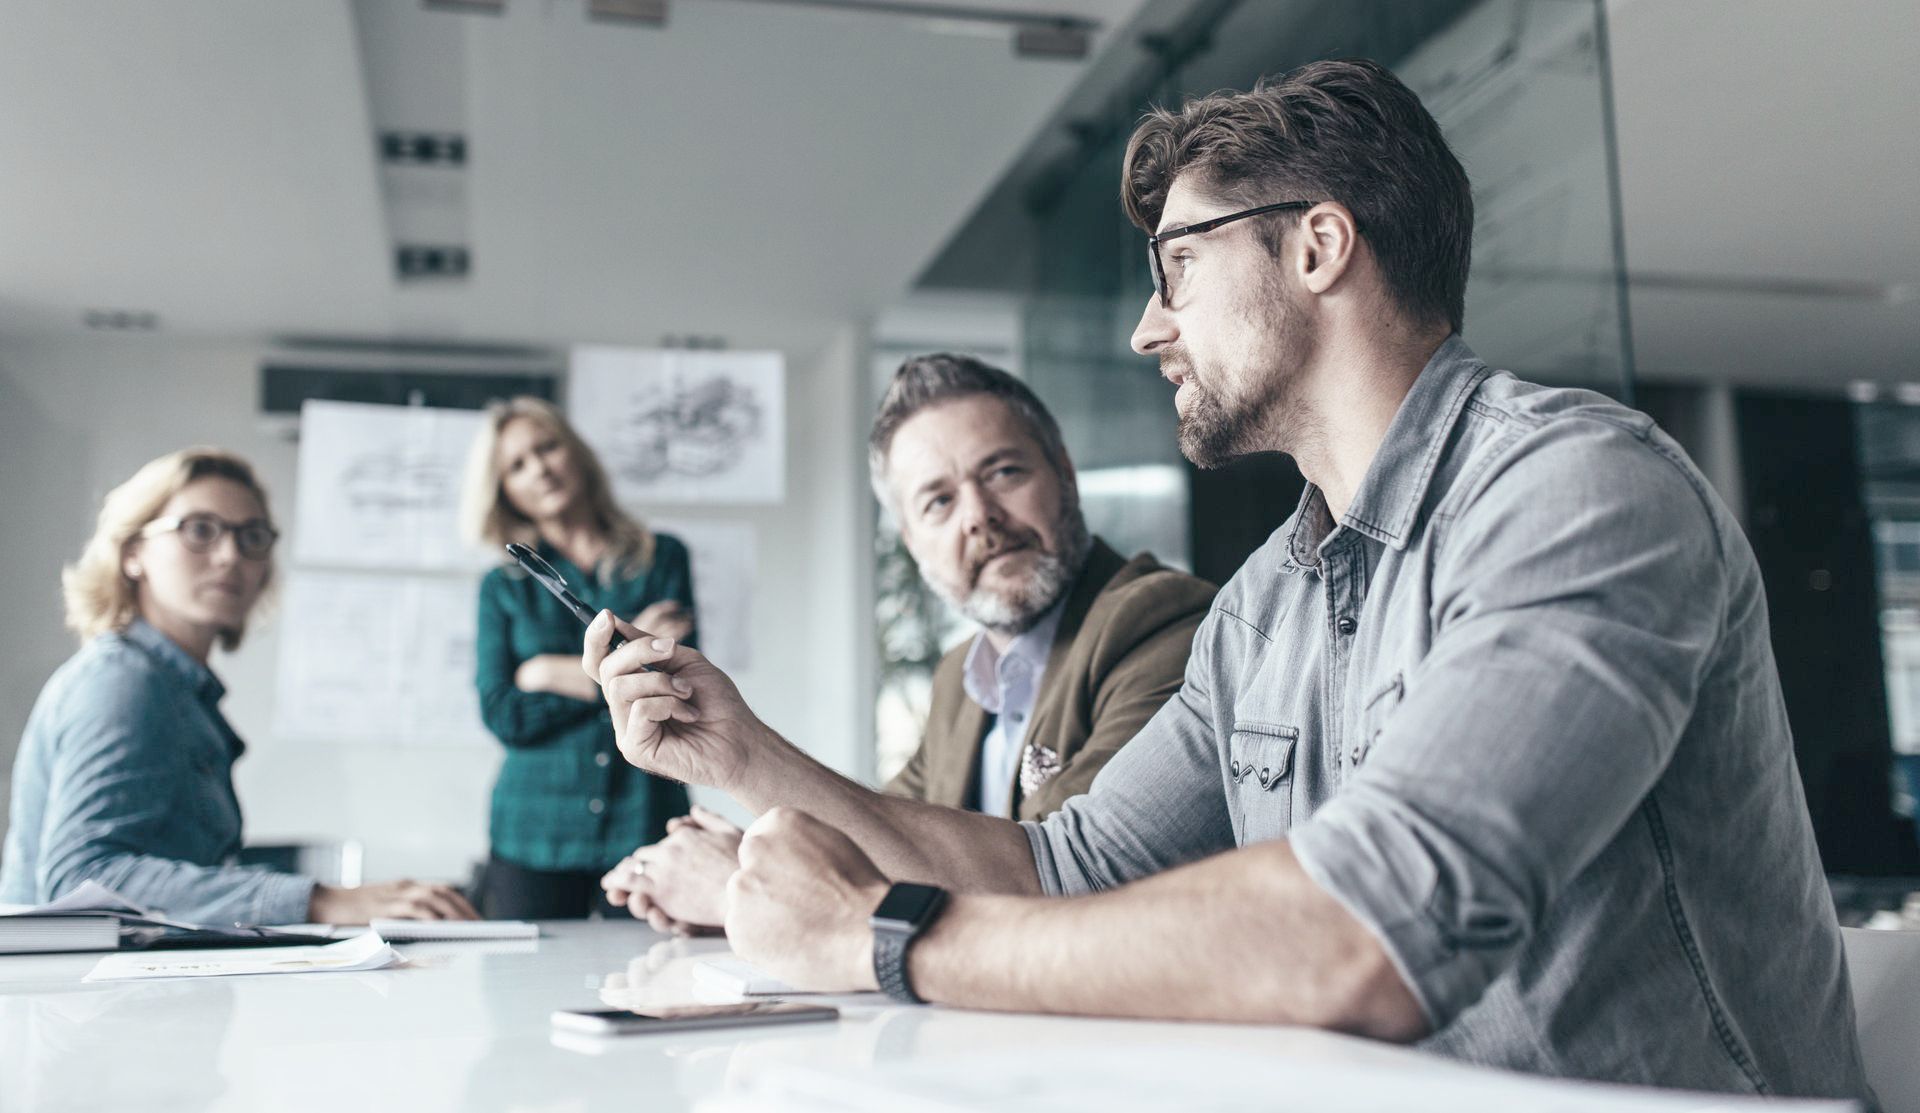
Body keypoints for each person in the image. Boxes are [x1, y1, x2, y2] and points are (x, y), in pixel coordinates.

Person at [584, 59, 1869, 1099]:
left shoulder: (1579, 492)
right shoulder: (1267, 601)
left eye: (1179, 265)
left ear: (1318, 247)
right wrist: (743, 756)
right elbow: (1061, 868)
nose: (1150, 325)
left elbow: (1370, 929)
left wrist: (882, 937)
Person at [599, 355, 1216, 930]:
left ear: (1064, 472)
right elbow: (884, 840)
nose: (978, 515)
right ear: (911, 541)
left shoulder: (1163, 624)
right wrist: (755, 849)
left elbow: (1057, 884)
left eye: (1003, 472)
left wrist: (741, 884)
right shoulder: (961, 678)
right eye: (938, 501)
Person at [0, 448, 476, 924]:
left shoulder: (178, 691)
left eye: (252, 537)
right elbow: (81, 879)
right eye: (199, 530)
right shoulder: (123, 681)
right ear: (133, 553)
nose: (231, 556)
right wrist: (320, 901)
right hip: (75, 993)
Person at [463, 396, 696, 919]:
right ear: (504, 491)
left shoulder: (663, 559)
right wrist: (619, 671)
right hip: (533, 833)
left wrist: (544, 673)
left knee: (652, 981)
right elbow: (503, 713)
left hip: (644, 819)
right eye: (517, 465)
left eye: (547, 448)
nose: (539, 469)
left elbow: (674, 686)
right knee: (524, 993)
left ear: (576, 454)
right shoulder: (502, 588)